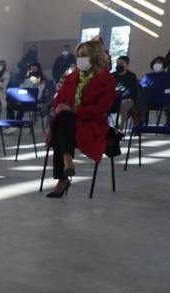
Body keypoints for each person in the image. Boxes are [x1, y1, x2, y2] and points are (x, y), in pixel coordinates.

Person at [45, 40, 116, 198]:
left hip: (91, 123)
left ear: (95, 57)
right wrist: (60, 106)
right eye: (78, 56)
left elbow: (101, 109)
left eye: (84, 55)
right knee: (63, 118)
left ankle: (63, 175)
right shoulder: (72, 77)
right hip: (69, 122)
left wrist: (74, 109)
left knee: (61, 124)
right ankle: (67, 159)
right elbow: (59, 99)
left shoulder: (107, 79)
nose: (80, 59)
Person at [141, 56, 170, 126]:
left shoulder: (168, 76)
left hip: (164, 100)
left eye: (159, 62)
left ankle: (169, 124)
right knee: (140, 103)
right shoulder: (147, 76)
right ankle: (140, 123)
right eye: (155, 62)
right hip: (149, 99)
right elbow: (142, 88)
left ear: (164, 65)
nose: (157, 64)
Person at [113, 56, 138, 131]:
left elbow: (131, 91)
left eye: (121, 63)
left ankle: (118, 130)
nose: (119, 65)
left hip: (127, 100)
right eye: (117, 63)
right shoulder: (112, 75)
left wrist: (120, 97)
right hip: (113, 98)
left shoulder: (132, 76)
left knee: (123, 104)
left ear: (127, 65)